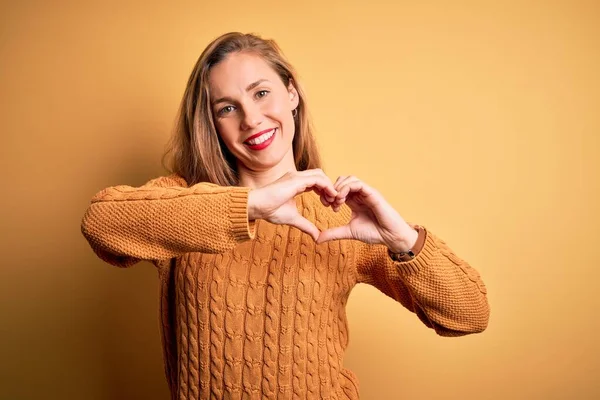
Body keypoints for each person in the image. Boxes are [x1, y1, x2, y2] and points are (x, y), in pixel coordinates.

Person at [81, 32, 490, 400]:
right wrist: (250, 206)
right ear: (212, 123)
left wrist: (402, 238)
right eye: (227, 108)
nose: (251, 119)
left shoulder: (341, 217)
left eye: (261, 93)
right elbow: (100, 223)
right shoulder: (187, 201)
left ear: (291, 94)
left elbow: (469, 313)